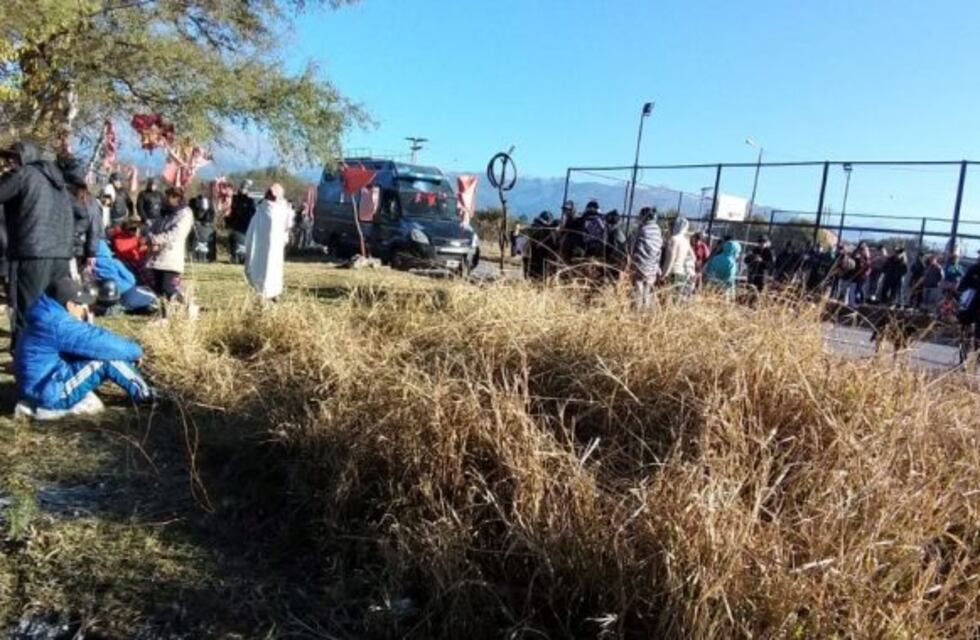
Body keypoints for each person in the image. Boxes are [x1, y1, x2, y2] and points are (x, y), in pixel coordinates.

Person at [13, 276, 153, 420]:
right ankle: (147, 399)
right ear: (70, 305)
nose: (84, 308)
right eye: (81, 304)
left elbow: (91, 340)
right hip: (51, 393)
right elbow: (102, 343)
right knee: (107, 359)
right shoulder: (59, 324)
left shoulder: (47, 314)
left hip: (41, 384)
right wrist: (136, 351)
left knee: (99, 353)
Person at [0, 141, 75, 351]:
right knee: (55, 310)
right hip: (61, 255)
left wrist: (5, 175)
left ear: (24, 157)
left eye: (12, 158)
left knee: (28, 311)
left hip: (31, 253)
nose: (8, 163)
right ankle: (53, 356)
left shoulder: (24, 174)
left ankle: (26, 363)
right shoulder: (58, 182)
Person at [243, 184, 291, 300]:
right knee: (264, 267)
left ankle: (271, 292)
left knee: (271, 267)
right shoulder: (264, 211)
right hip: (263, 247)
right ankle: (265, 292)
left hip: (274, 248)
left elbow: (286, 226)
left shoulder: (278, 210)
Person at [145, 187, 193, 301]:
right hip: (156, 255)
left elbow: (176, 234)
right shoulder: (164, 213)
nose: (167, 199)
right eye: (167, 196)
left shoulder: (185, 214)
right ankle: (164, 315)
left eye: (171, 196)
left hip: (171, 256)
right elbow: (152, 228)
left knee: (167, 288)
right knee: (158, 289)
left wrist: (156, 240)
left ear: (178, 198)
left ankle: (186, 303)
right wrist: (151, 238)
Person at [94, 240, 159, 314]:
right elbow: (130, 278)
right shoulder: (114, 262)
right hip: (127, 290)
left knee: (124, 305)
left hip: (107, 296)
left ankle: (106, 309)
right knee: (151, 297)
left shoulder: (90, 266)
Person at [67, 169, 101, 281]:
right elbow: (95, 227)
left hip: (75, 247)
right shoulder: (90, 201)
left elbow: (94, 227)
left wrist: (91, 252)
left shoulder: (88, 201)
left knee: (73, 279)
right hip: (76, 246)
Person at [630, 207, 663, 309]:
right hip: (653, 265)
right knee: (647, 290)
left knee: (638, 288)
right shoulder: (658, 230)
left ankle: (637, 312)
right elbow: (659, 249)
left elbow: (633, 245)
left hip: (641, 264)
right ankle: (646, 312)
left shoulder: (642, 230)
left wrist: (631, 259)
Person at [662, 217, 696, 294]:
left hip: (673, 274)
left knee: (667, 301)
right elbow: (693, 257)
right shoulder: (686, 241)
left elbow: (670, 259)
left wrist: (664, 275)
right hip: (682, 274)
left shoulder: (673, 239)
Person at [226, 180, 256, 264]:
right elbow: (230, 211)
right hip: (236, 225)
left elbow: (253, 213)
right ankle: (233, 255)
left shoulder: (250, 201)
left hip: (245, 226)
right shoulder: (234, 198)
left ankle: (241, 256)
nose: (243, 189)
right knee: (234, 240)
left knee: (241, 242)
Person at [523, 211, 558, 280]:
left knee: (538, 273)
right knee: (536, 273)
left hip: (541, 255)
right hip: (536, 255)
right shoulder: (536, 228)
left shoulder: (549, 229)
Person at [188, 191, 218, 262]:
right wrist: (194, 221)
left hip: (206, 225)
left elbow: (211, 217)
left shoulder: (210, 207)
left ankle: (209, 256)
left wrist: (207, 222)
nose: (202, 211)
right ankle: (192, 253)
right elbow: (190, 215)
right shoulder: (192, 203)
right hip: (195, 224)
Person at [604, 209, 628, 276]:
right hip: (615, 263)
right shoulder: (616, 232)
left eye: (607, 222)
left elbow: (618, 250)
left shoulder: (616, 233)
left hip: (616, 264)